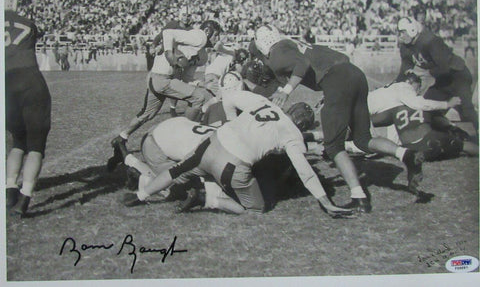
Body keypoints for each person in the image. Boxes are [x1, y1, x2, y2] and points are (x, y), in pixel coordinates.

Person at [251, 25, 425, 211]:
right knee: (363, 139)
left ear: (261, 45)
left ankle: (359, 198)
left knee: (333, 146)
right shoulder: (291, 44)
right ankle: (407, 155)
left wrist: (286, 91)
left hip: (336, 80)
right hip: (354, 75)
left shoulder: (277, 53)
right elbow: (338, 59)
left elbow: (302, 65)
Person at [121, 90, 355, 219]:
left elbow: (230, 96)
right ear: (303, 126)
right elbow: (305, 171)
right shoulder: (292, 134)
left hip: (211, 142)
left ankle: (140, 195)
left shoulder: (266, 104)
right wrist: (325, 201)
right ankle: (208, 199)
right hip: (232, 163)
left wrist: (232, 122)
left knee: (176, 170)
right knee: (255, 209)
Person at [108, 20, 221, 171]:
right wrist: (168, 52)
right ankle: (182, 136)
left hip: (160, 78)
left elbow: (187, 78)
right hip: (162, 79)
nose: (217, 39)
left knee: (148, 114)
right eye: (216, 35)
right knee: (198, 98)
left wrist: (199, 83)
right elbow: (168, 32)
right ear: (208, 31)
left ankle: (121, 137)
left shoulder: (202, 55)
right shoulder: (199, 37)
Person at [4, 0, 52, 216]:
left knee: (17, 142)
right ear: (13, 1)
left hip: (5, 83)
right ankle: (25, 197)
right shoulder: (28, 24)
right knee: (36, 146)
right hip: (31, 81)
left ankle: (9, 188)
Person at [396, 16, 478, 133]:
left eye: (403, 32)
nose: (401, 36)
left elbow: (444, 67)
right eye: (399, 33)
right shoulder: (405, 47)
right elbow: (404, 71)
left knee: (467, 110)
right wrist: (392, 87)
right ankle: (450, 133)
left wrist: (423, 73)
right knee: (427, 110)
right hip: (442, 81)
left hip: (457, 75)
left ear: (412, 29)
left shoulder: (430, 41)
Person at [368, 72, 462, 128]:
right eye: (418, 86)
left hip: (364, 111)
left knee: (400, 112)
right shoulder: (404, 87)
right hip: (362, 114)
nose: (418, 91)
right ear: (410, 82)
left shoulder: (394, 88)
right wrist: (447, 104)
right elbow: (420, 104)